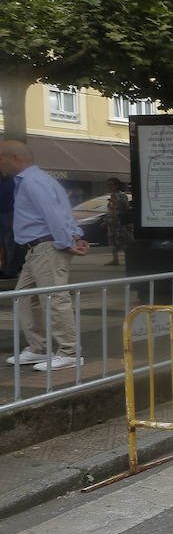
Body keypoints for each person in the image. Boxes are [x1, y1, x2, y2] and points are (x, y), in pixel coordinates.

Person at [1, 140, 90, 371]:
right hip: (37, 248)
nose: (0, 163)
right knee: (24, 296)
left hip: (47, 247)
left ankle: (69, 352)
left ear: (15, 159)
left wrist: (67, 241)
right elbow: (61, 211)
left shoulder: (32, 182)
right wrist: (74, 236)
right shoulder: (31, 181)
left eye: (1, 158)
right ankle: (38, 348)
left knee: (54, 298)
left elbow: (54, 214)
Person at [103, 177, 132, 266]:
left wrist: (116, 202)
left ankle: (129, 259)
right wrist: (106, 220)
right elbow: (111, 210)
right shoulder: (112, 195)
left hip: (120, 222)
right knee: (114, 241)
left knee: (123, 241)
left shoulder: (121, 195)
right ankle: (115, 259)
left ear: (117, 185)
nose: (109, 187)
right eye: (108, 185)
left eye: (111, 185)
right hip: (113, 223)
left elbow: (126, 207)